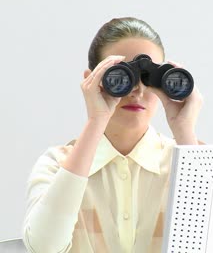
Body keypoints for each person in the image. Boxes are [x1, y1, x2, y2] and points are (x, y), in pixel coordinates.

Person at [22, 17, 203, 253]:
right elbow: (44, 247)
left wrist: (185, 131)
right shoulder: (56, 164)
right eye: (121, 76)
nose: (137, 91)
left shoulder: (189, 161)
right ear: (92, 79)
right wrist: (96, 119)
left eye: (149, 77)